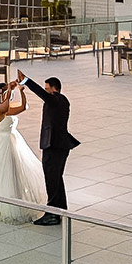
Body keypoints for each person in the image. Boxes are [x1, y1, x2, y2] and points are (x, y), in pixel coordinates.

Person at [0, 80, 48, 224]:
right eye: (8, 92)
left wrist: (21, 91)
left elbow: (24, 107)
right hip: (4, 142)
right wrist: (8, 89)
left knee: (15, 170)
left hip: (13, 141)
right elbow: (6, 103)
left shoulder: (7, 108)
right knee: (3, 171)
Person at [18, 69, 80, 226]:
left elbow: (41, 94)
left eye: (47, 89)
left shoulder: (56, 100)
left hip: (55, 146)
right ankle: (60, 210)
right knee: (56, 179)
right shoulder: (60, 101)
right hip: (57, 144)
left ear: (54, 88)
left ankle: (52, 213)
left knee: (52, 179)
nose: (46, 92)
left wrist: (26, 81)